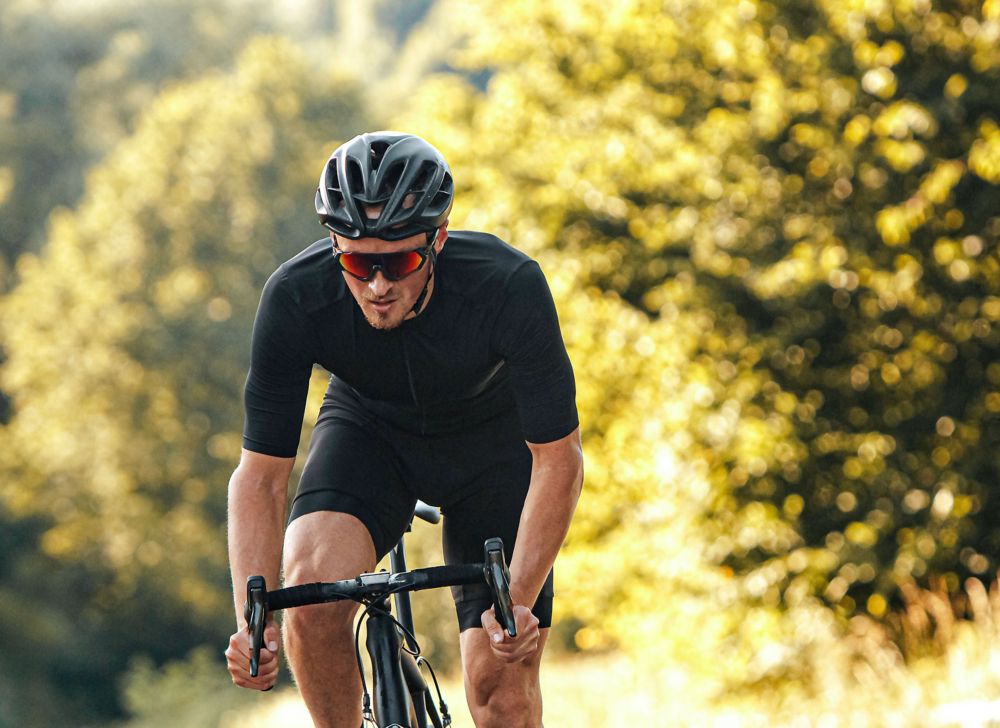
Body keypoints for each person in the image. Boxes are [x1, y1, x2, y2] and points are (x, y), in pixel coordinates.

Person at [224, 131, 583, 728]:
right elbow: (260, 478)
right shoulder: (295, 297)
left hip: (491, 449)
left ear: (438, 240)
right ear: (335, 246)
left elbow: (559, 460)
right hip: (370, 435)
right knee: (311, 596)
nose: (378, 285)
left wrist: (517, 599)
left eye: (401, 261)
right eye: (359, 263)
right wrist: (253, 621)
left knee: (501, 687)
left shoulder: (507, 285)